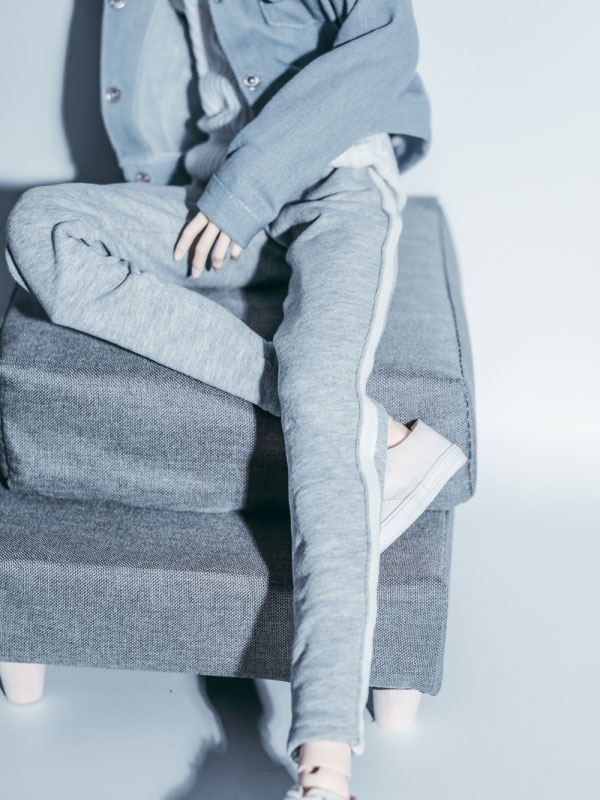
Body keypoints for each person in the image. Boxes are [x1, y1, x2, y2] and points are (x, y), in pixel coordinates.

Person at [4, 1, 466, 797]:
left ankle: (325, 755)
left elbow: (388, 41)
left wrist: (246, 188)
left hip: (336, 183)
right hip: (214, 200)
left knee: (320, 383)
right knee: (44, 224)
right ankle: (376, 434)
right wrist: (225, 194)